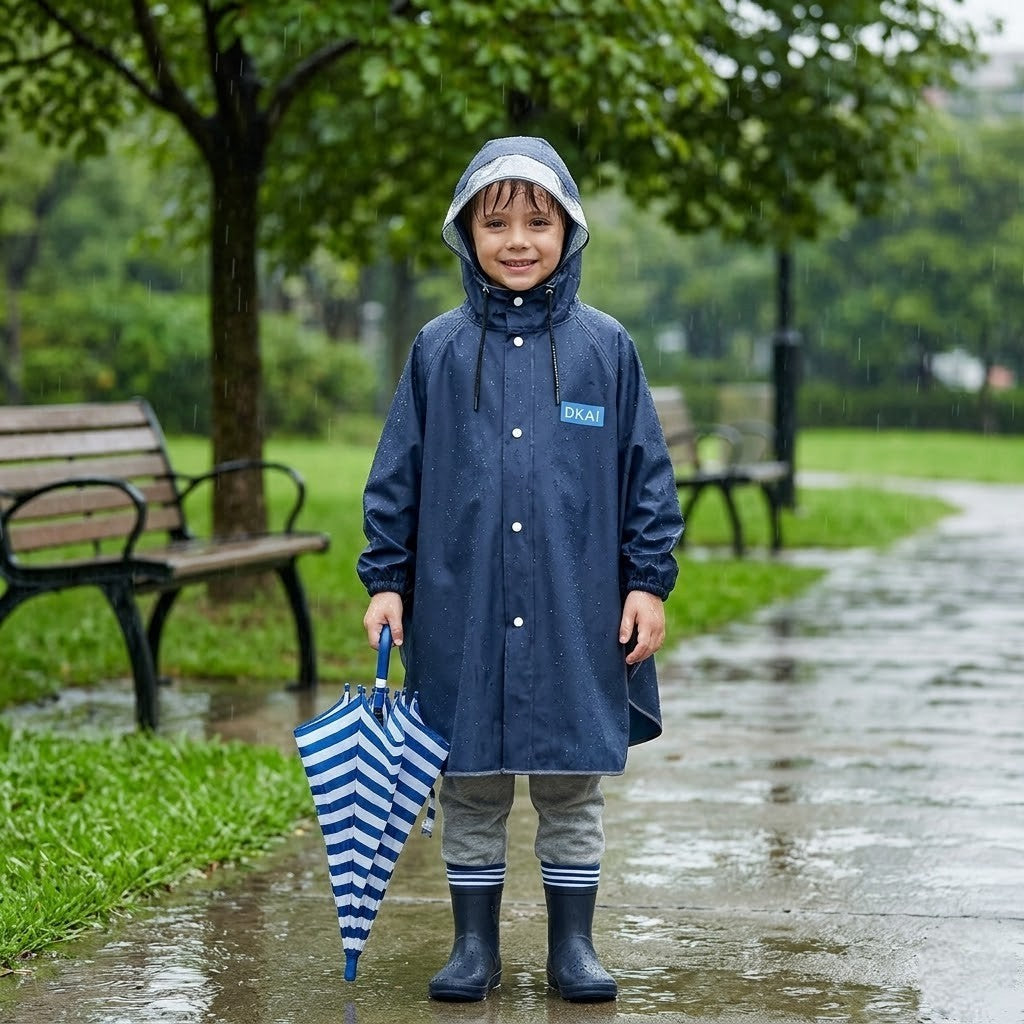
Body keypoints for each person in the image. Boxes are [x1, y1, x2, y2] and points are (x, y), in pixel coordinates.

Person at [357, 136, 683, 1003]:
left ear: (568, 230)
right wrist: (386, 580)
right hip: (460, 605)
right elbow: (396, 477)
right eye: (495, 222)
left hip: (577, 606)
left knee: (571, 782)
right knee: (469, 780)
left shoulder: (605, 349)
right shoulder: (436, 349)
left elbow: (647, 477)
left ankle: (573, 946)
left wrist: (647, 581)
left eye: (538, 222)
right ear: (465, 232)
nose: (517, 241)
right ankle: (474, 947)